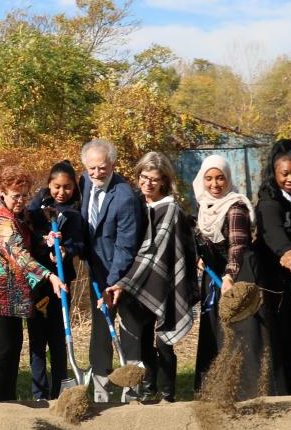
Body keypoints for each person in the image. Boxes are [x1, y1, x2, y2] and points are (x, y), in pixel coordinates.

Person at [0, 165, 68, 402]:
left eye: (25, 195)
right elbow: (19, 254)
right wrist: (51, 276)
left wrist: (46, 240)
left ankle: (7, 403)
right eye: (16, 196)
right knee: (2, 351)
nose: (21, 200)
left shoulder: (17, 215)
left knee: (13, 349)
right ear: (2, 191)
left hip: (13, 295)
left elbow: (28, 237)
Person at [118, 152, 199, 403]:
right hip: (136, 283)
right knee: (142, 341)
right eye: (143, 177)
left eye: (154, 179)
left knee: (164, 341)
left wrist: (127, 279)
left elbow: (163, 249)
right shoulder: (134, 204)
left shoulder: (171, 208)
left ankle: (167, 392)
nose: (148, 183)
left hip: (164, 283)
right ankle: (148, 387)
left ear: (164, 181)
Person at [192, 154, 263, 399]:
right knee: (215, 331)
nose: (215, 184)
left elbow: (237, 246)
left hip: (239, 274)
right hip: (216, 277)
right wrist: (203, 256)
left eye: (220, 178)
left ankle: (247, 390)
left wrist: (230, 276)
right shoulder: (204, 205)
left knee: (241, 329)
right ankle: (213, 391)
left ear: (228, 179)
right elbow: (205, 239)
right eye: (209, 179)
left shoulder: (235, 207)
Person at [79, 138, 144, 403]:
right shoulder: (82, 184)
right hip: (96, 272)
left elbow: (126, 245)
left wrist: (114, 282)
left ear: (113, 165)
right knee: (100, 330)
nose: (96, 174)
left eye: (102, 168)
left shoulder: (125, 196)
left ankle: (132, 388)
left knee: (128, 329)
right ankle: (100, 388)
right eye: (91, 168)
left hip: (122, 274)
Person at [251, 139, 291, 397]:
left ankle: (288, 388)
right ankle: (273, 391)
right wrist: (285, 251)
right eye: (284, 174)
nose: (290, 178)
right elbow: (273, 231)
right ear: (274, 174)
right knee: (275, 335)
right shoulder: (269, 200)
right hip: (274, 278)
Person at [25, 162, 86, 402]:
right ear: (49, 184)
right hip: (39, 282)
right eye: (57, 186)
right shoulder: (35, 209)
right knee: (37, 339)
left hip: (62, 283)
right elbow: (28, 238)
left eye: (67, 187)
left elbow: (80, 243)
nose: (62, 192)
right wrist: (44, 244)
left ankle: (60, 386)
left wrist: (66, 250)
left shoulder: (74, 212)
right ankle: (39, 392)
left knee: (58, 338)